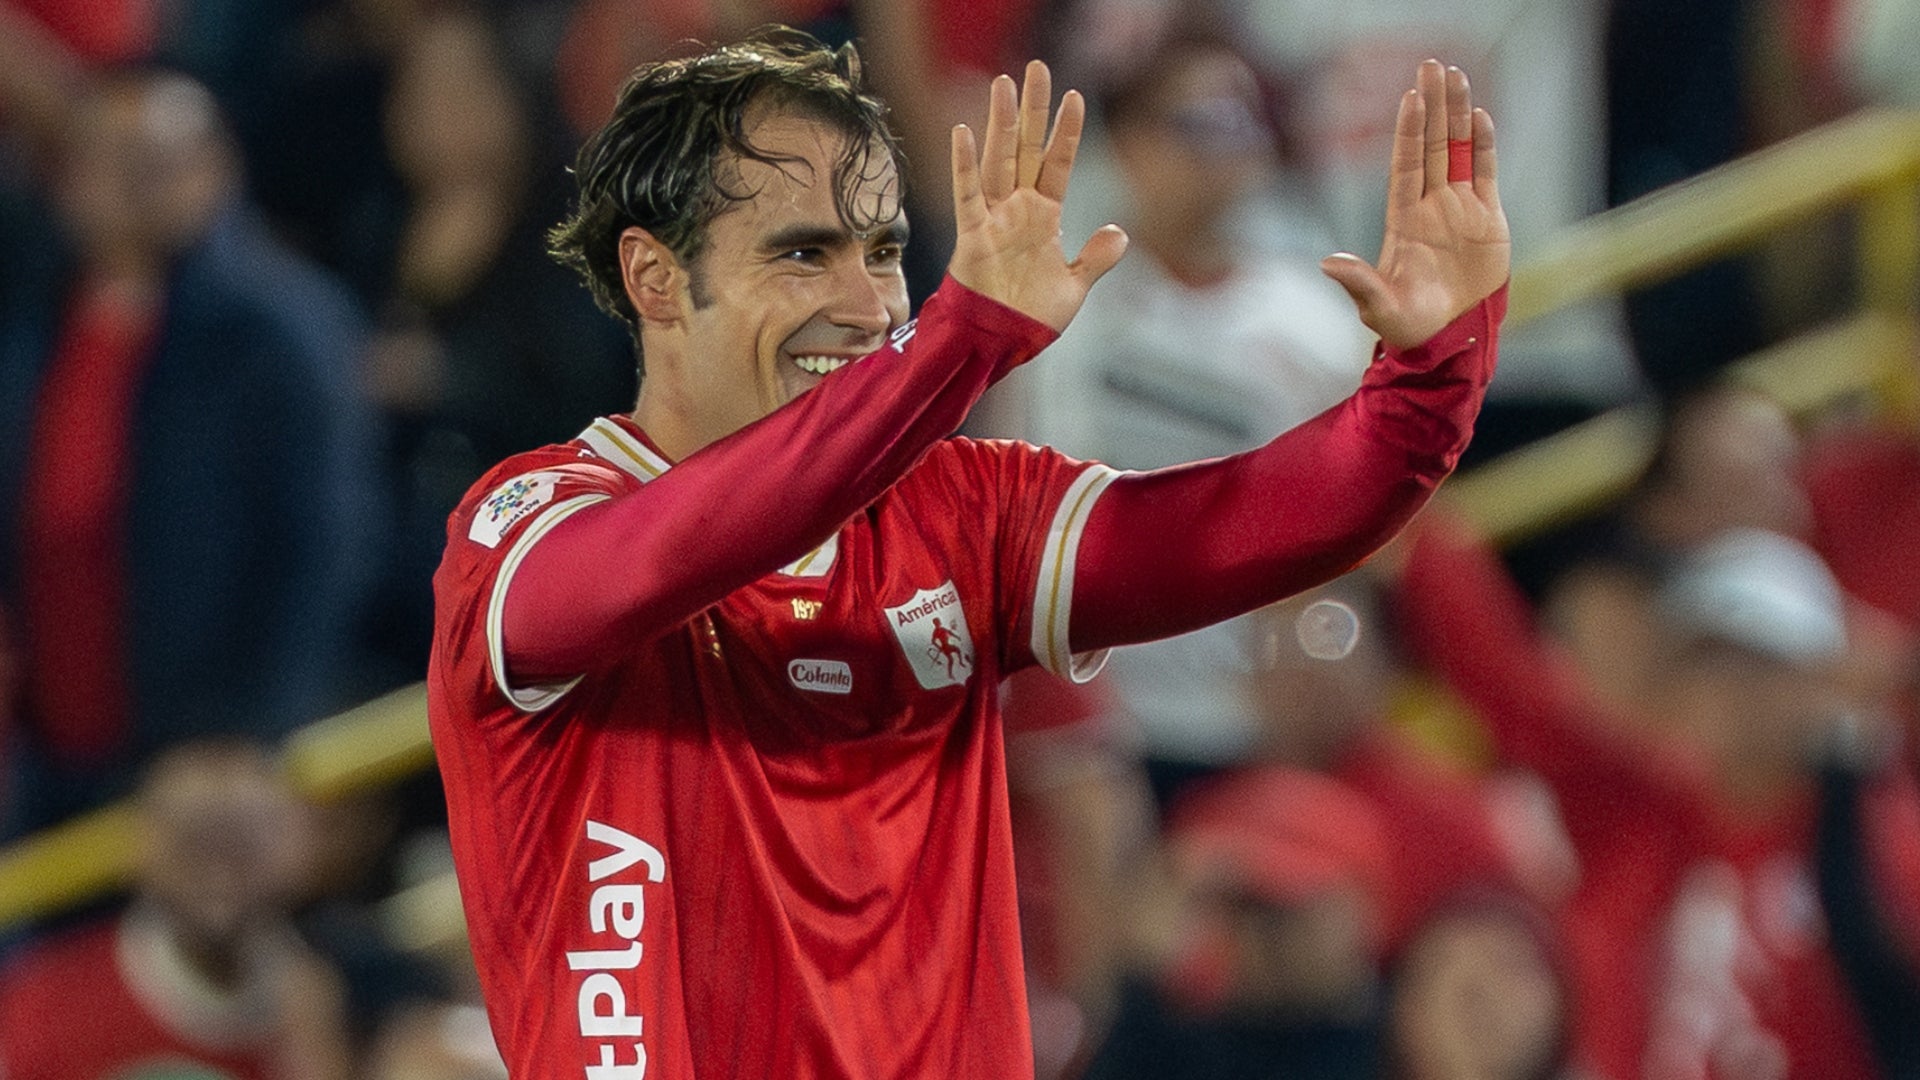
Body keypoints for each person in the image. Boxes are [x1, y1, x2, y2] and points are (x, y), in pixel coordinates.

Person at [428, 27, 1508, 1078]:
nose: (867, 307)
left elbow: (1276, 518)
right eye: (803, 253)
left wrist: (1431, 378)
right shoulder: (523, 526)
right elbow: (667, 557)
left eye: (887, 251)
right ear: (656, 279)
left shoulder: (965, 516)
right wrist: (961, 342)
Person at [0, 740, 353, 1080]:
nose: (219, 874)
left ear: (299, 850)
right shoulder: (41, 1005)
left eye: (242, 845)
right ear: (142, 850)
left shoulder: (335, 1000)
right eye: (194, 845)